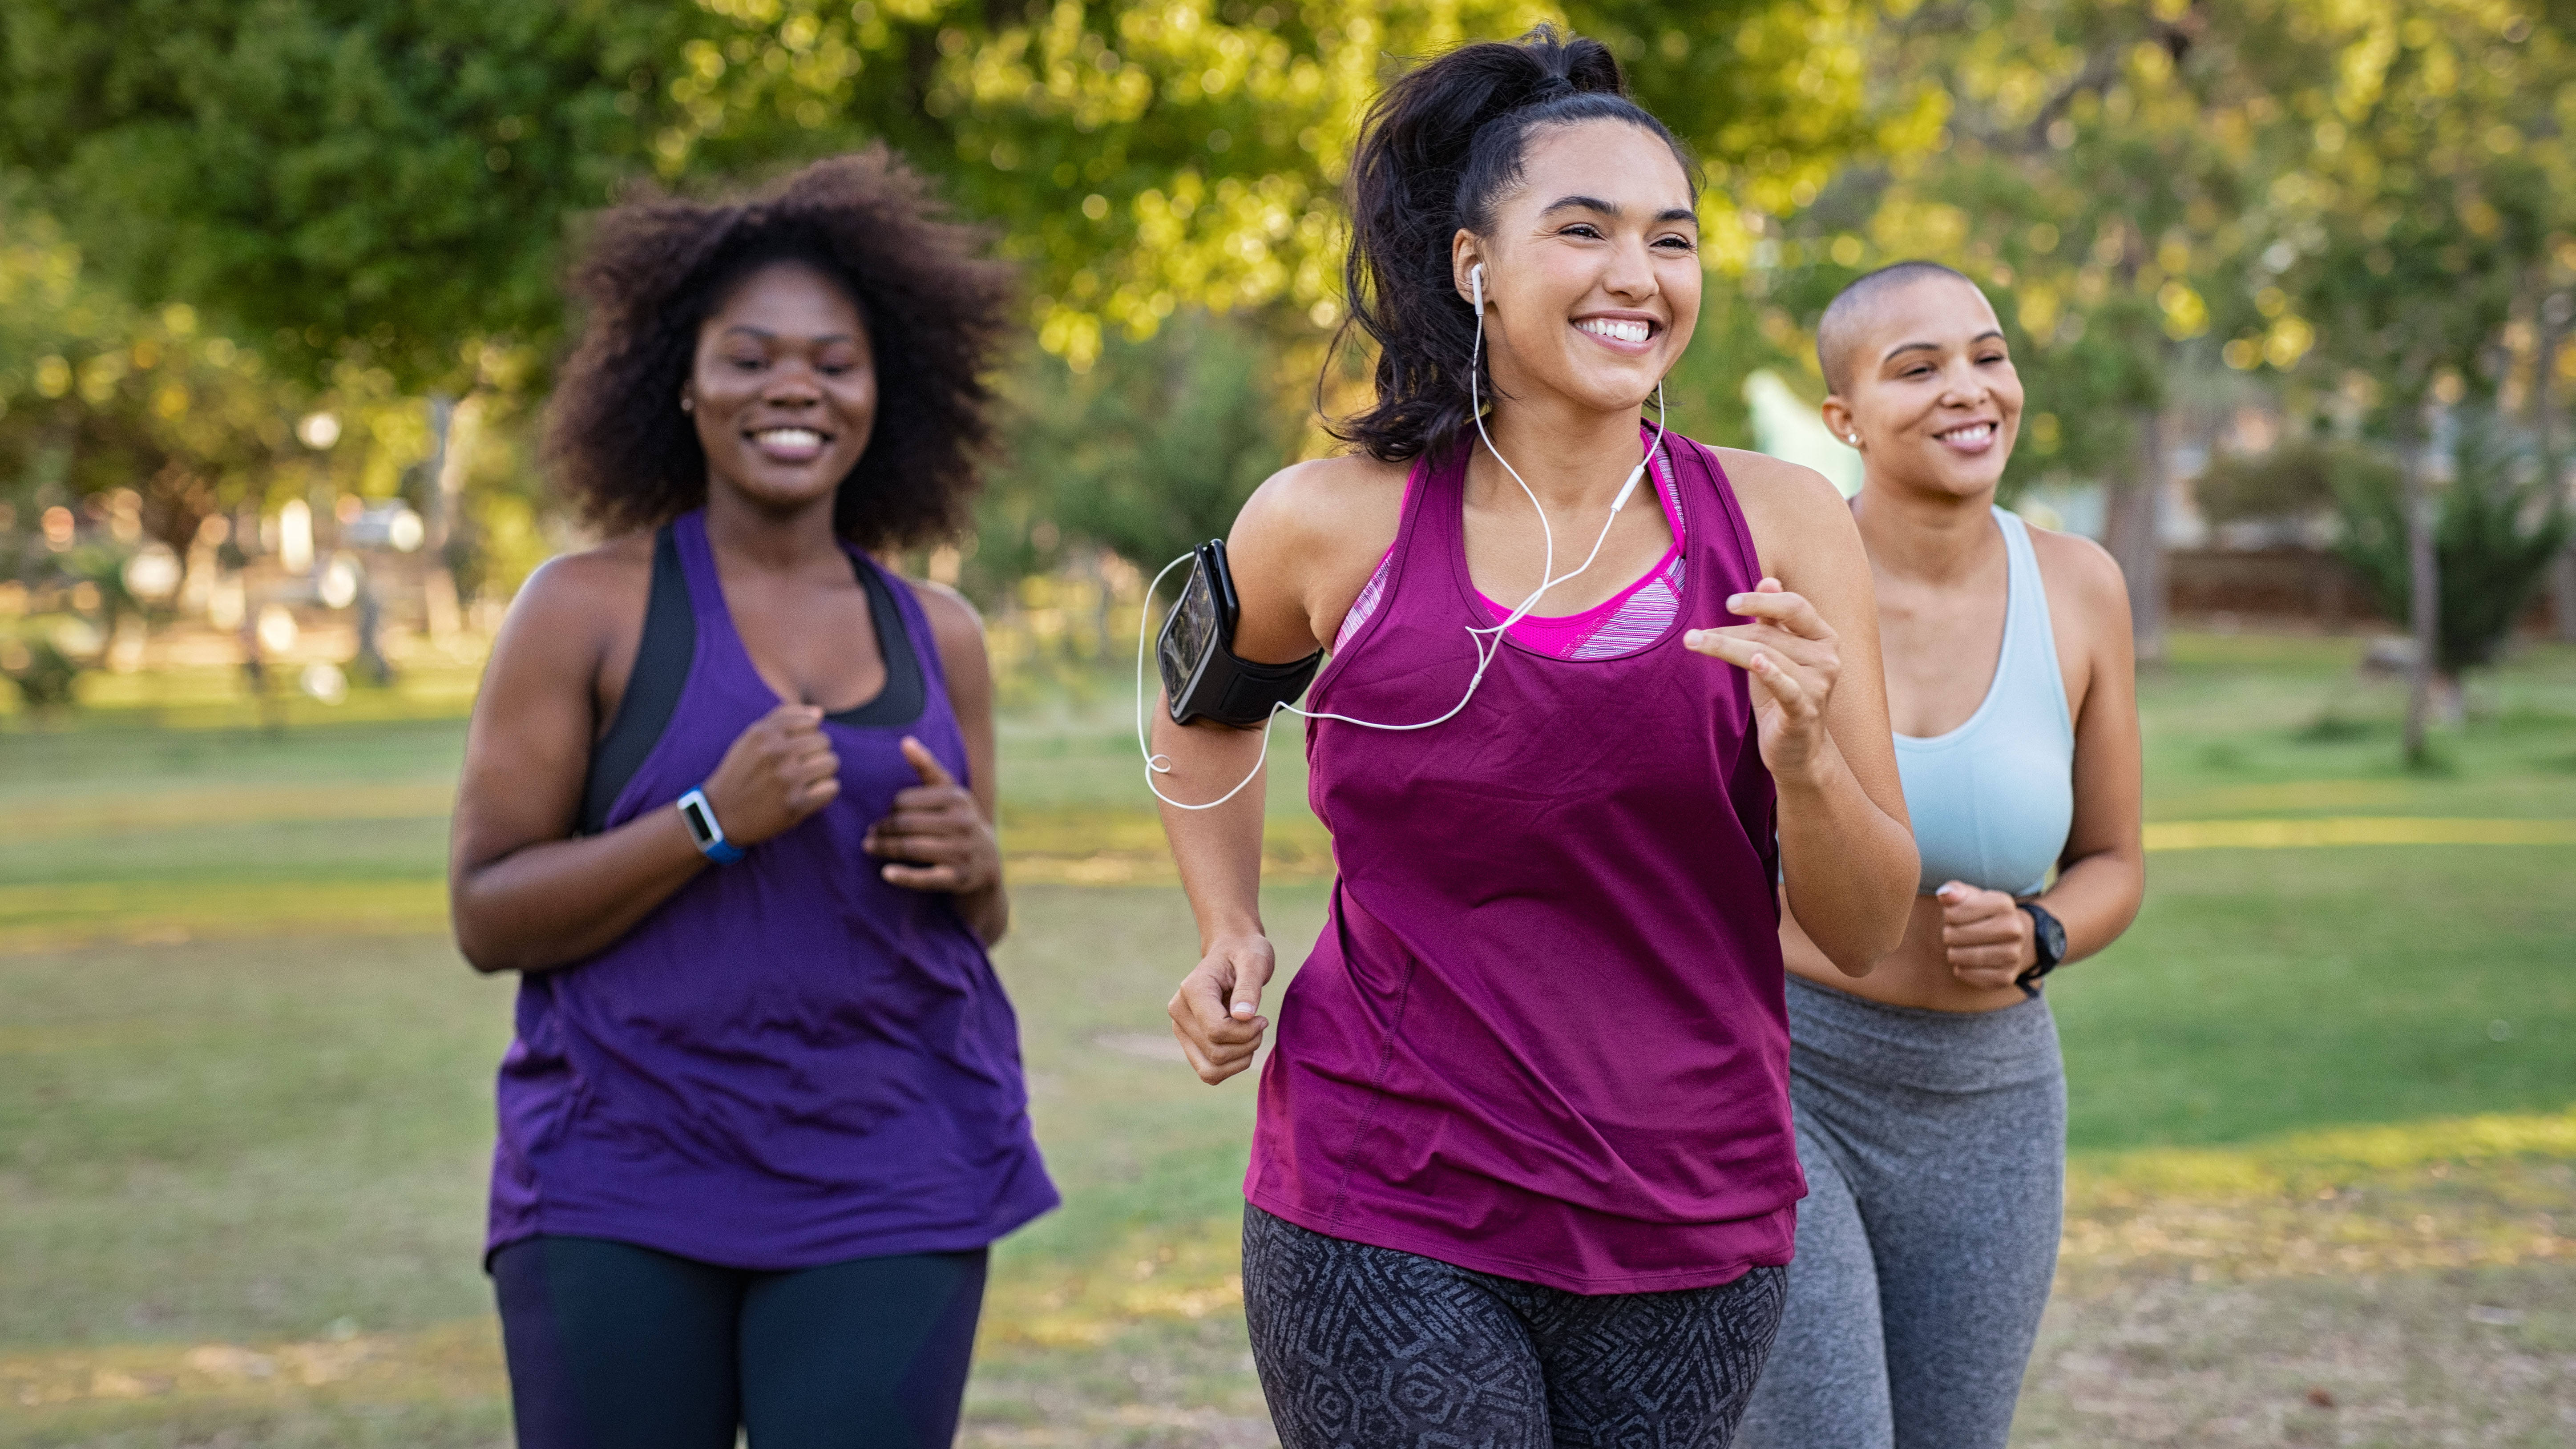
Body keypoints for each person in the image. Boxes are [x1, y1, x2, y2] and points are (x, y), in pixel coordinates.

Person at [1149, 29, 1920, 1448]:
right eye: (1584, 229)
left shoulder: (1787, 528)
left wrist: (1806, 759)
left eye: (1671, 240)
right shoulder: (1330, 519)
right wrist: (1226, 925)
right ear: (1472, 265)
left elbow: (1865, 928)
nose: (1639, 275)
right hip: (1386, 1185)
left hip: (1692, 1205)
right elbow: (1199, 715)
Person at [446, 151, 1055, 1449]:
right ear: (680, 379)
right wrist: (708, 821)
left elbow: (978, 920)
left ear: (884, 392)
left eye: (835, 361)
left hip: (891, 1169)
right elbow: (488, 914)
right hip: (621, 1172)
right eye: (750, 355)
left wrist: (979, 866)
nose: (795, 386)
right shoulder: (585, 608)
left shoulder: (938, 633)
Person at [1734, 262, 2147, 1449]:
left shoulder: (2081, 588)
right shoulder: (1770, 591)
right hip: (1789, 1078)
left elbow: (2114, 859)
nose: (1970, 390)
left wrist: (2043, 931)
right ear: (1843, 421)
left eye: (1988, 355)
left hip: (1994, 1101)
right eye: (1917, 368)